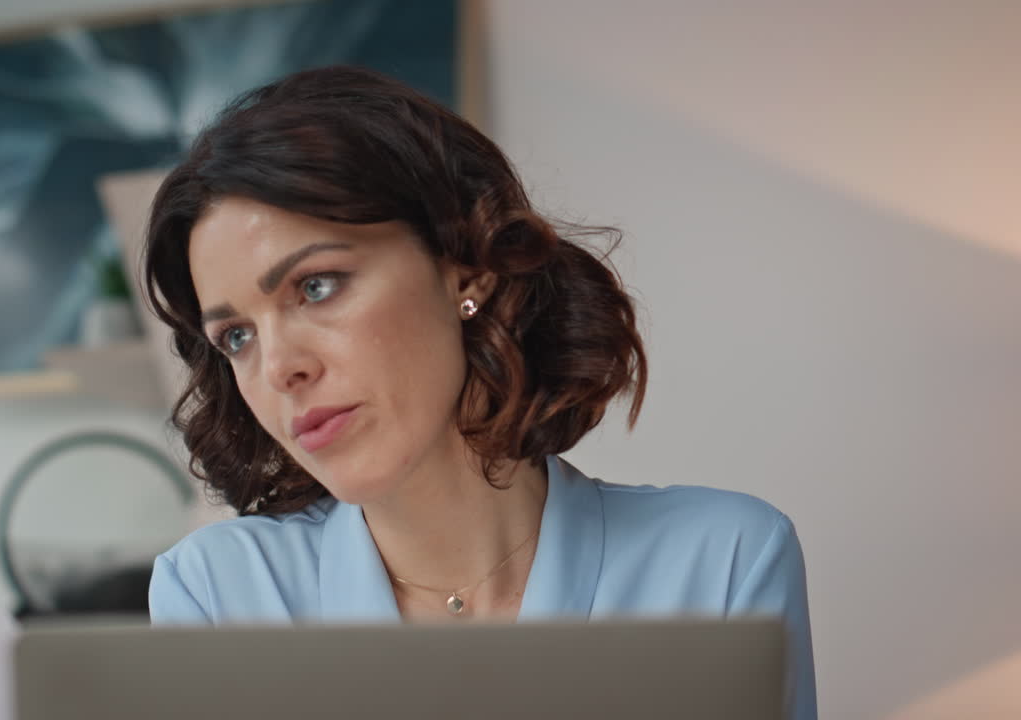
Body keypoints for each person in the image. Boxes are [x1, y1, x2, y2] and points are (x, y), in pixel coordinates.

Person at [142, 66, 815, 719]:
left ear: (466, 267)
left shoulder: (723, 562)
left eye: (316, 286)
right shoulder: (220, 595)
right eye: (236, 337)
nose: (278, 367)